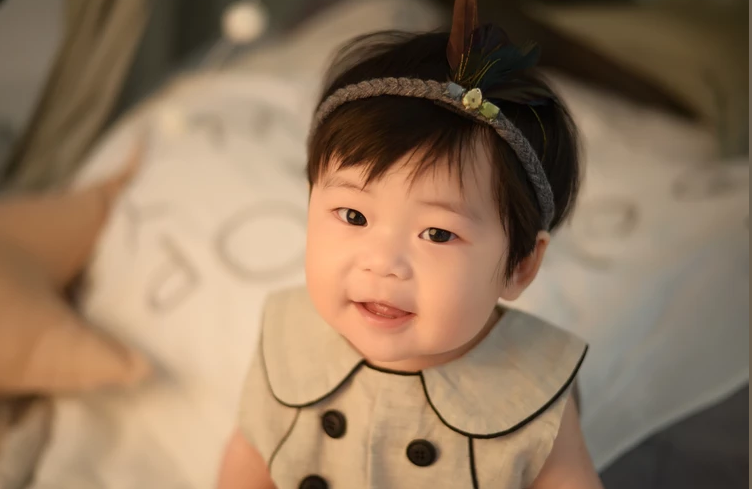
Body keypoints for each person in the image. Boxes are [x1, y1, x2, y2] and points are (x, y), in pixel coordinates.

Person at [217, 1, 603, 487]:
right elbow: (248, 463)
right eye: (353, 215)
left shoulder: (532, 385)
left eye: (437, 234)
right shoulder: (289, 342)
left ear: (520, 266)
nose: (383, 263)